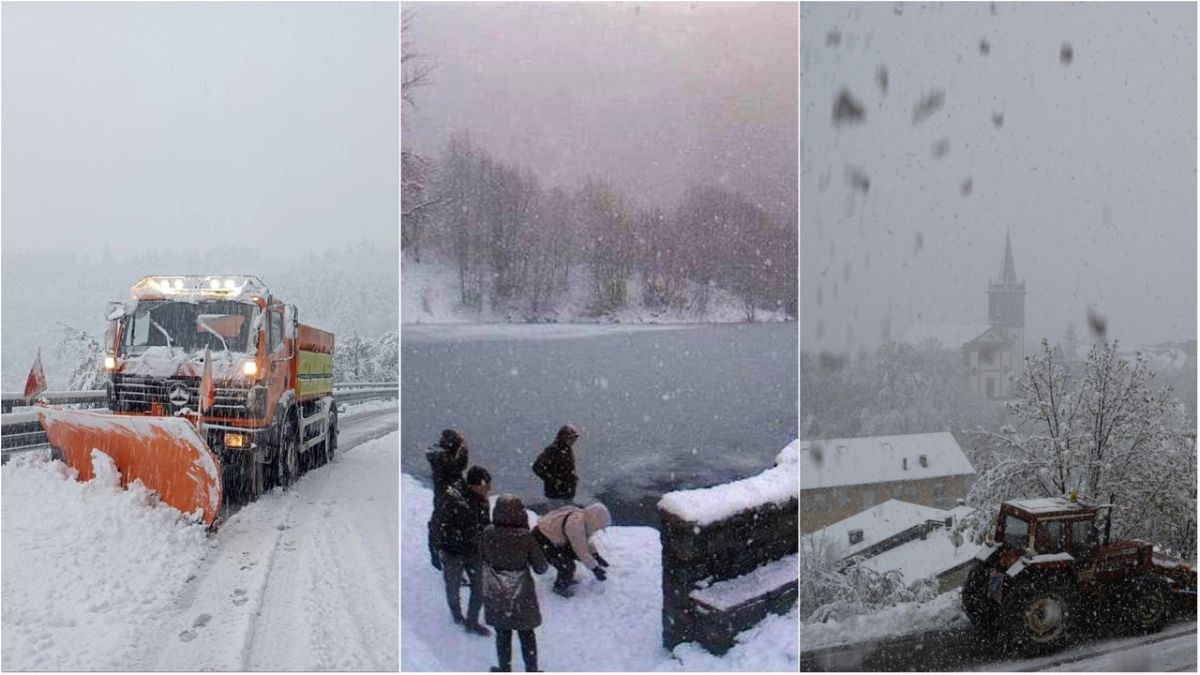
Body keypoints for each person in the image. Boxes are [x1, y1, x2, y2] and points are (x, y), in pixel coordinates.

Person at [480, 494, 549, 673]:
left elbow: (481, 557)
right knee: (526, 633)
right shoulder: (525, 537)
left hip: (495, 589)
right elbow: (541, 567)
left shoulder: (487, 533)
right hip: (522, 593)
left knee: (502, 633)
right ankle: (532, 670)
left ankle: (504, 669)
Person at [437, 465, 493, 636]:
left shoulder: (482, 500)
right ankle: (456, 615)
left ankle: (472, 621)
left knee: (479, 587)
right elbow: (440, 527)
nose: (489, 489)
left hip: (474, 551)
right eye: (486, 486)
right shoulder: (452, 500)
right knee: (453, 588)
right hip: (453, 552)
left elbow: (484, 524)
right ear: (474, 485)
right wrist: (443, 547)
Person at [531, 502, 611, 598]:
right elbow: (581, 551)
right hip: (541, 541)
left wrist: (595, 555)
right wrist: (595, 569)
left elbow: (585, 541)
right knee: (568, 566)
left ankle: (566, 579)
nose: (597, 529)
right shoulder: (575, 525)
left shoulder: (583, 517)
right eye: (598, 527)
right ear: (594, 521)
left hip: (552, 539)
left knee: (572, 555)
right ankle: (559, 588)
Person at [427, 428, 469, 570]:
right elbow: (458, 467)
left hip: (442, 497)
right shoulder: (445, 461)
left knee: (440, 524)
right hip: (448, 497)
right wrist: (463, 452)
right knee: (450, 526)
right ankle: (449, 558)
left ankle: (438, 555)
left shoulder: (438, 456)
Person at [531, 425, 579, 509]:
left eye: (574, 438)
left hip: (567, 493)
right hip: (556, 495)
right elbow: (537, 467)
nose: (574, 441)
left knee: (567, 517)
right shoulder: (552, 450)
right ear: (564, 437)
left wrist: (572, 478)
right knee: (558, 517)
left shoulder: (566, 450)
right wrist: (553, 481)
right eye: (571, 438)